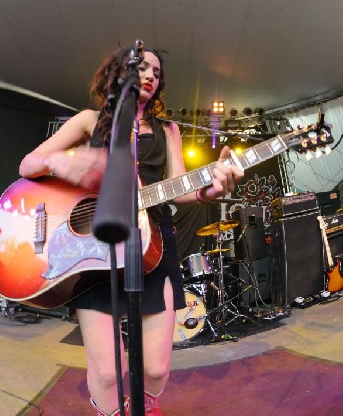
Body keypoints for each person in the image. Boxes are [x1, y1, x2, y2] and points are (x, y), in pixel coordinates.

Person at [19, 44, 244, 416]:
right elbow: (28, 164)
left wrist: (211, 187)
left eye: (157, 72)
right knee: (109, 374)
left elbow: (181, 188)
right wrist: (61, 162)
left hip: (152, 247)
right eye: (143, 67)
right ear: (120, 72)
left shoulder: (167, 130)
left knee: (155, 368)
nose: (151, 76)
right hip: (93, 255)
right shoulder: (89, 122)